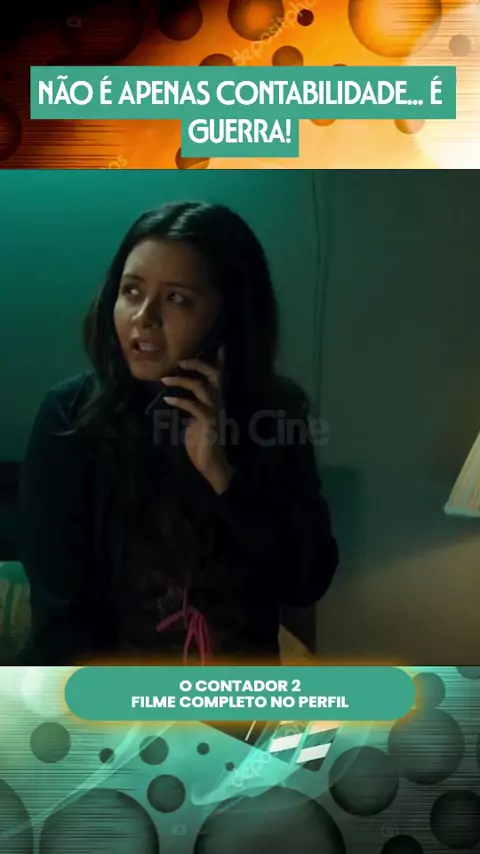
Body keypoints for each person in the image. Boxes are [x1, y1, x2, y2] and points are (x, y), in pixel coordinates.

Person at [18, 201, 339, 666]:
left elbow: (306, 582)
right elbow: (61, 623)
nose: (144, 317)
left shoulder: (275, 411)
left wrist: (222, 473)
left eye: (177, 299)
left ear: (229, 314)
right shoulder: (69, 417)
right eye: (131, 291)